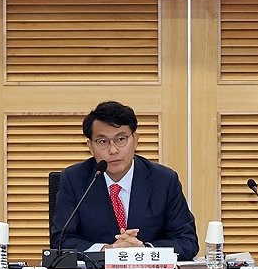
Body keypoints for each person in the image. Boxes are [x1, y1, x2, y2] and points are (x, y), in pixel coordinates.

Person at [52, 100, 199, 260]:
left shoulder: (164, 181)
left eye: (121, 139)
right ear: (90, 146)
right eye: (102, 141)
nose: (113, 150)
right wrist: (106, 250)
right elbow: (61, 240)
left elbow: (187, 241)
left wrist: (143, 250)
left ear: (135, 140)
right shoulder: (74, 180)